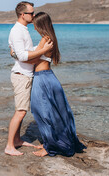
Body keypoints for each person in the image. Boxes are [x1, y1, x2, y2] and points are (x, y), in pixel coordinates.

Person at [20, 12, 86, 157]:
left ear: (40, 25)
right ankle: (49, 143)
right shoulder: (51, 38)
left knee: (43, 113)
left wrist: (15, 53)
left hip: (42, 79)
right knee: (52, 112)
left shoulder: (45, 39)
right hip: (48, 77)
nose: (34, 28)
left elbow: (32, 60)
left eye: (36, 25)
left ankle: (50, 147)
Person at [5, 2, 54, 156]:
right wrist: (44, 50)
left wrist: (18, 54)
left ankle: (17, 140)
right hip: (22, 76)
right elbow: (23, 56)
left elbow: (24, 52)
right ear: (22, 15)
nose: (34, 16)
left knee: (22, 111)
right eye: (31, 13)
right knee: (20, 112)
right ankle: (9, 146)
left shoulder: (23, 30)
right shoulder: (17, 31)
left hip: (26, 75)